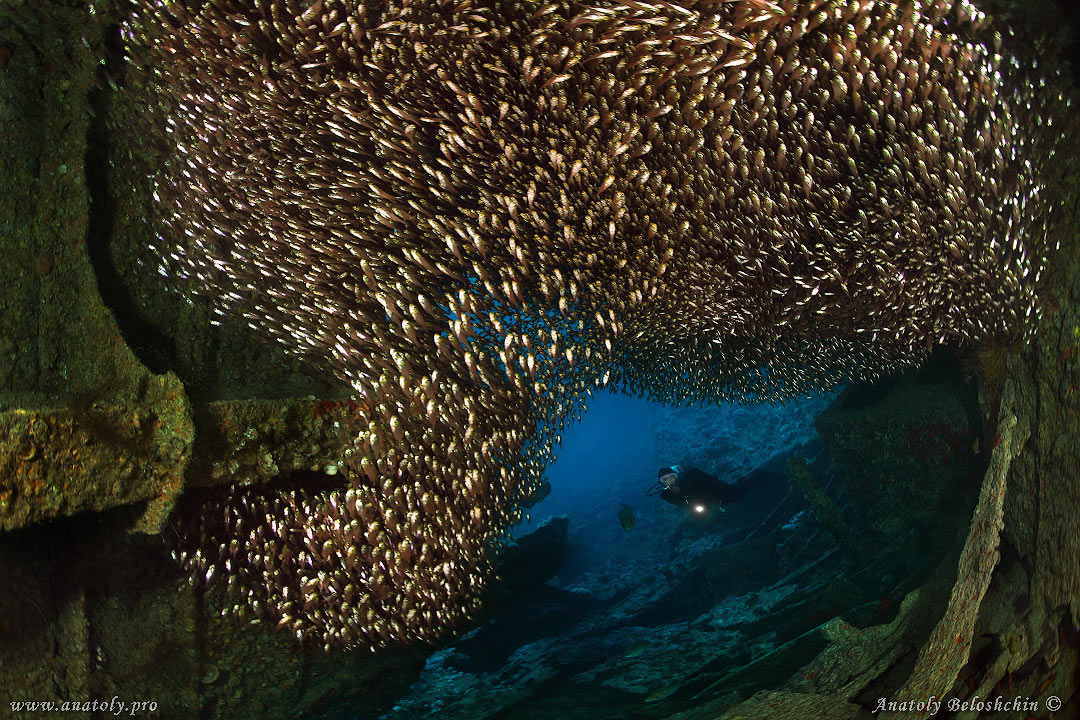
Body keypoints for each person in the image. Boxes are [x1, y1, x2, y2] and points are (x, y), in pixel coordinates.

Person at [650, 465, 743, 516]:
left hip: (720, 493)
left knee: (739, 492)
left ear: (677, 475)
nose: (670, 481)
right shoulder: (666, 495)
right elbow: (682, 504)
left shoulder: (691, 475)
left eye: (672, 477)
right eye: (665, 480)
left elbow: (713, 481)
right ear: (661, 483)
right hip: (706, 506)